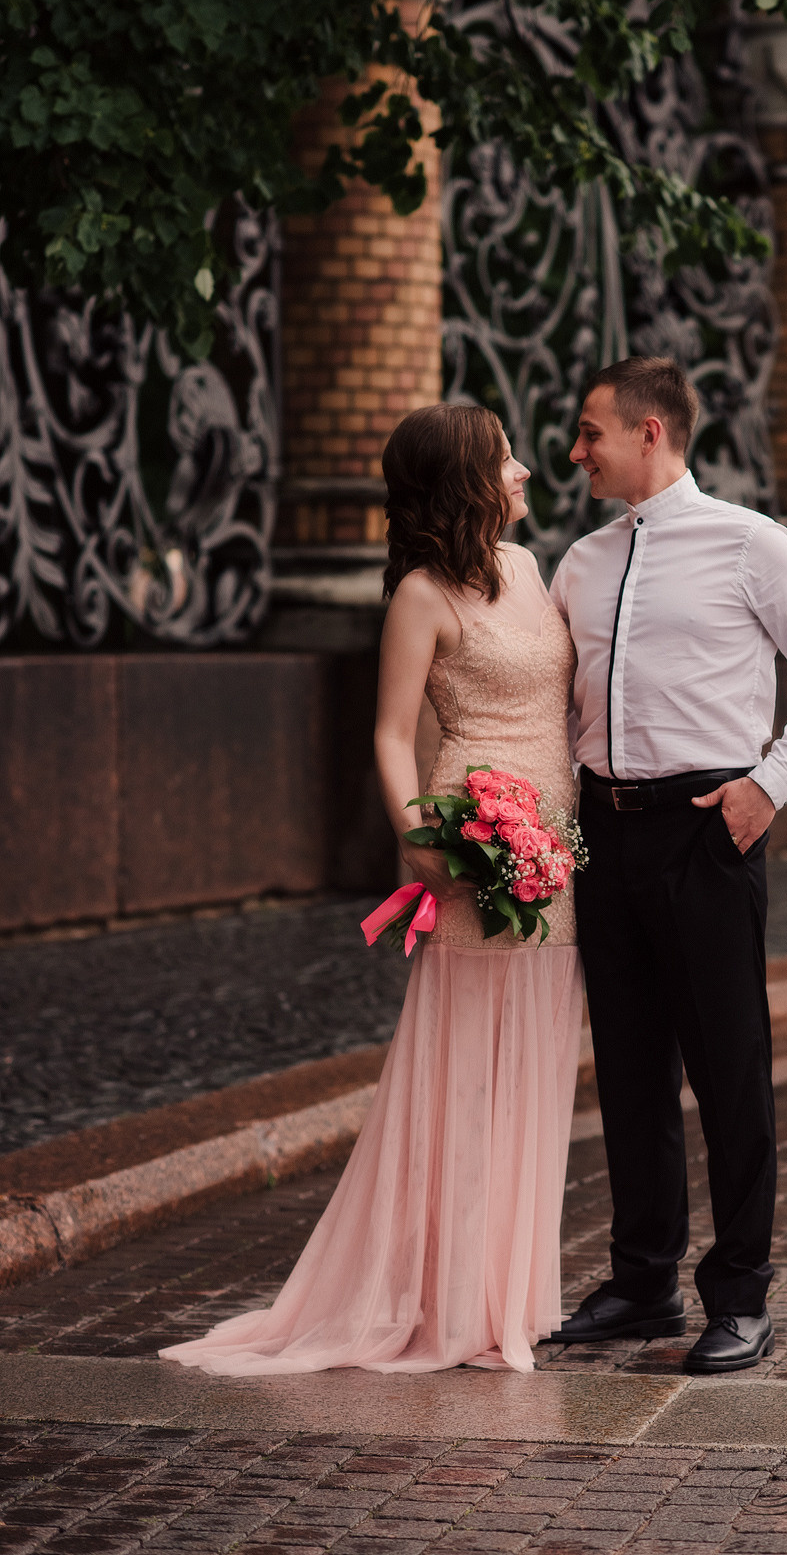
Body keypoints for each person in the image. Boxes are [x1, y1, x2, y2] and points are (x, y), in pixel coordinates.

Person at [160, 403, 583, 1375]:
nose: (524, 473)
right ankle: (453, 1302)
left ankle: (507, 1297)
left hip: (551, 851)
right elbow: (393, 736)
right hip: (474, 841)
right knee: (470, 1066)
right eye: (506, 460)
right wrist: (425, 847)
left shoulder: (527, 571)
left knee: (539, 1054)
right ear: (465, 482)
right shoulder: (420, 598)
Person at [548, 356, 787, 1374]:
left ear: (650, 432)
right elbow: (562, 711)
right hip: (606, 833)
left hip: (706, 830)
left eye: (590, 431)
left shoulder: (749, 544)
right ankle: (642, 1282)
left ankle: (738, 1294)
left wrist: (766, 786)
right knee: (630, 1070)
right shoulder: (578, 564)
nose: (576, 450)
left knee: (728, 1073)